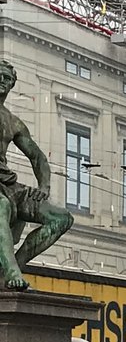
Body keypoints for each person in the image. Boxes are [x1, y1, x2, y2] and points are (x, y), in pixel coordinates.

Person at [0, 60, 74, 290]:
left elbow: (38, 157)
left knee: (62, 219)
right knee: (0, 206)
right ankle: (11, 271)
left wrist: (44, 187)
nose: (2, 81)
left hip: (8, 184)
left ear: (12, 85)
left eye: (7, 78)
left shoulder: (13, 121)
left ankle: (14, 268)